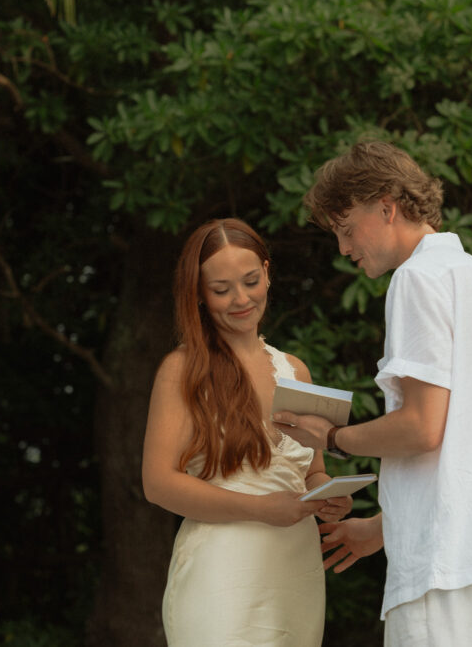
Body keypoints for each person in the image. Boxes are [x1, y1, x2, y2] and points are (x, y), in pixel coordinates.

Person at [275, 141, 472, 646]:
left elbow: (424, 428)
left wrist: (334, 437)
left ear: (385, 204)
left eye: (344, 228)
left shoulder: (417, 279)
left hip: (447, 576)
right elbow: (471, 448)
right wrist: (383, 527)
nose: (342, 248)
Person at [142, 217, 353, 646]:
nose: (241, 299)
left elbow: (312, 471)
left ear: (268, 273)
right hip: (221, 572)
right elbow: (158, 484)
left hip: (295, 570)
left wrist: (329, 492)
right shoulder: (182, 371)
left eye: (251, 281)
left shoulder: (294, 371)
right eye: (221, 290)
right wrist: (260, 509)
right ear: (199, 295)